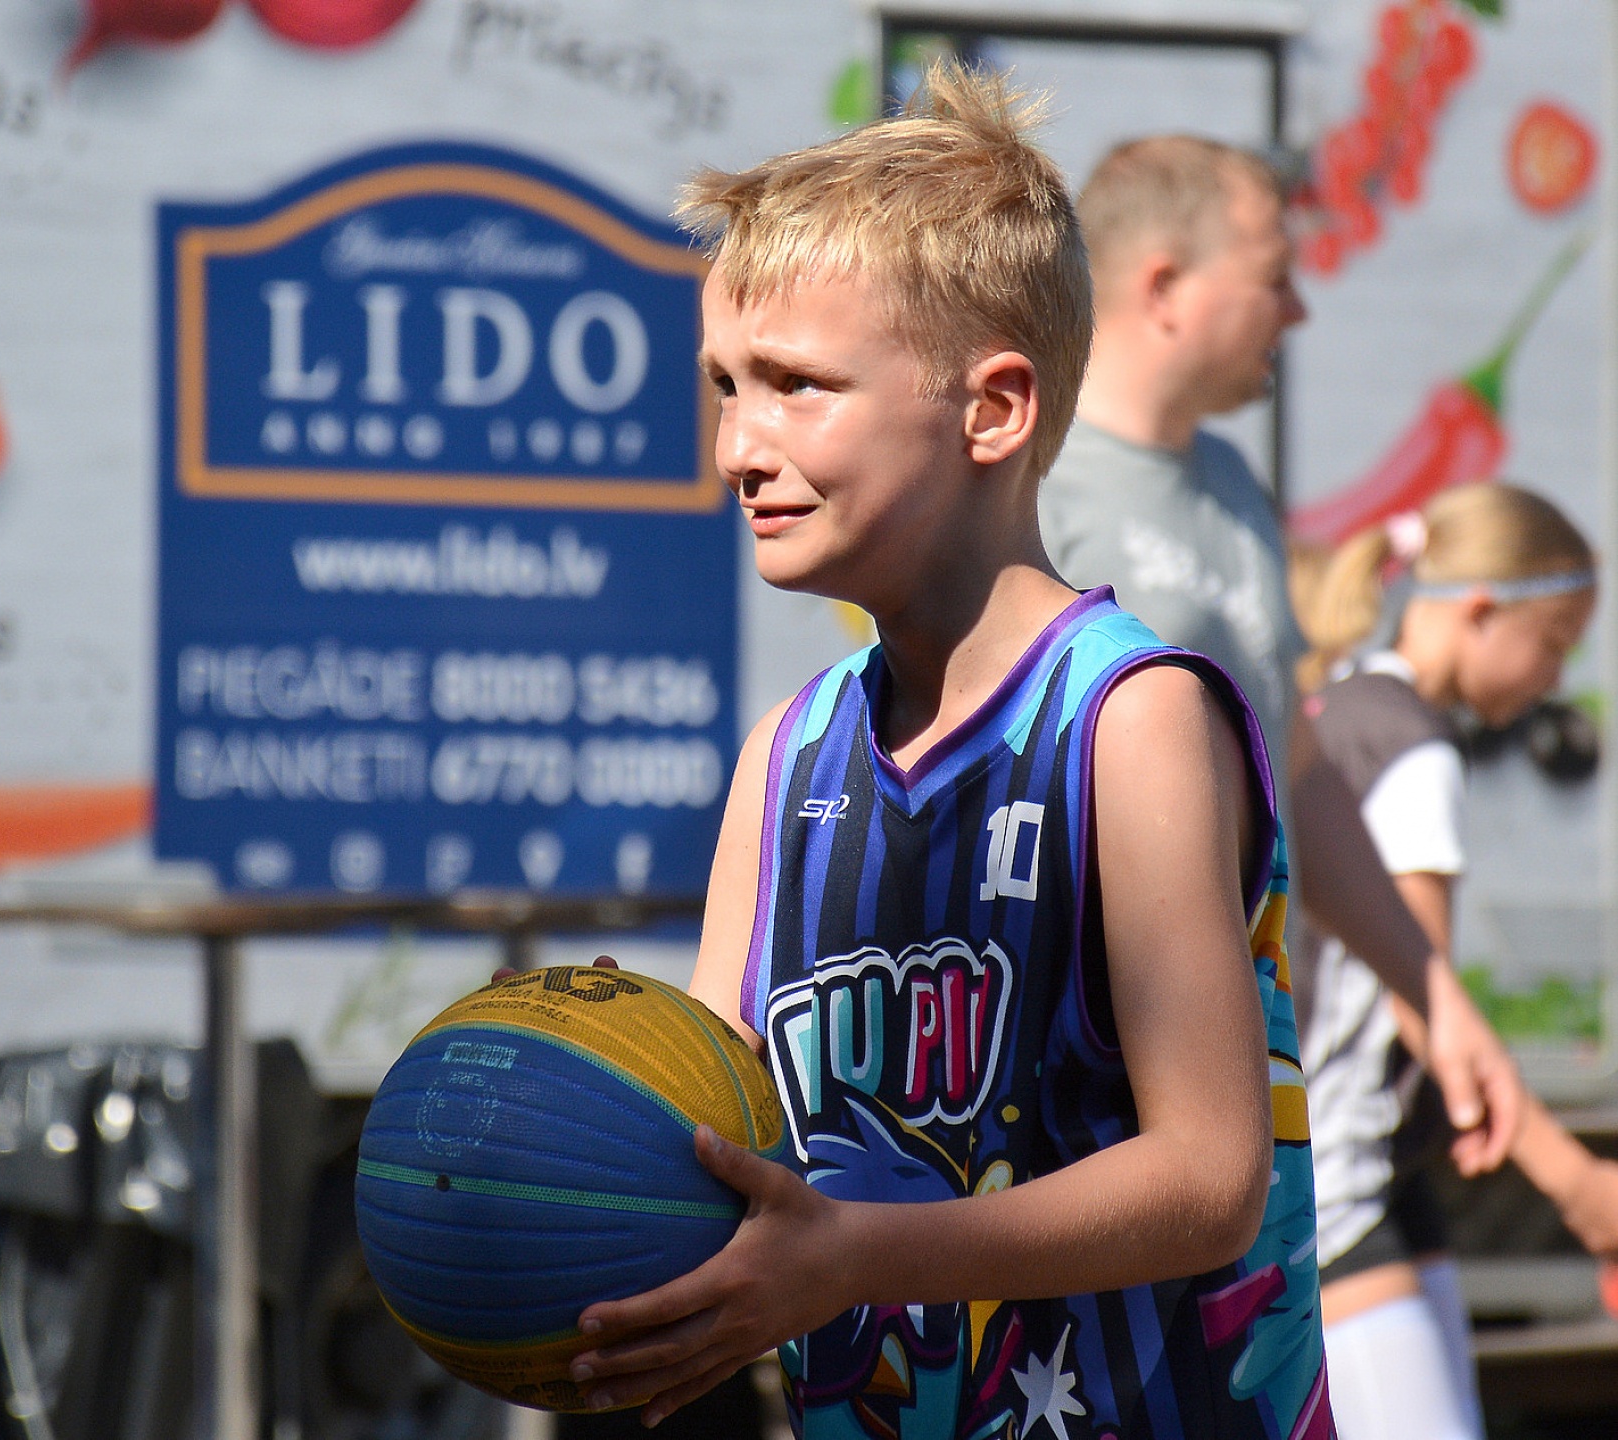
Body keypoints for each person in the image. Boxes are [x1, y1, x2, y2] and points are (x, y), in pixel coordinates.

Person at [563, 64, 1330, 1438]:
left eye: (797, 386)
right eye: (725, 385)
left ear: (993, 409)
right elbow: (719, 1139)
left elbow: (1211, 1178)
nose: (739, 444)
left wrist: (855, 1257)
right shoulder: (784, 760)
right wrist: (591, 1119)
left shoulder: (1127, 719)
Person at [1035, 135, 1523, 1182]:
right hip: (1078, 1107)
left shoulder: (1228, 483)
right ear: (1165, 287)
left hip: (1245, 1082)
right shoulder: (1034, 478)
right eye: (1273, 278)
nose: (1297, 312)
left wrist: (1434, 997)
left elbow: (1293, 767)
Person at [1295, 484, 1613, 1439]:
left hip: (1374, 1166)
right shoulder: (1415, 746)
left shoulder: (1345, 700)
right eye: (1552, 642)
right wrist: (1577, 1185)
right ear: (1479, 609)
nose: (1552, 676)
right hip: (1338, 1179)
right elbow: (1426, 1001)